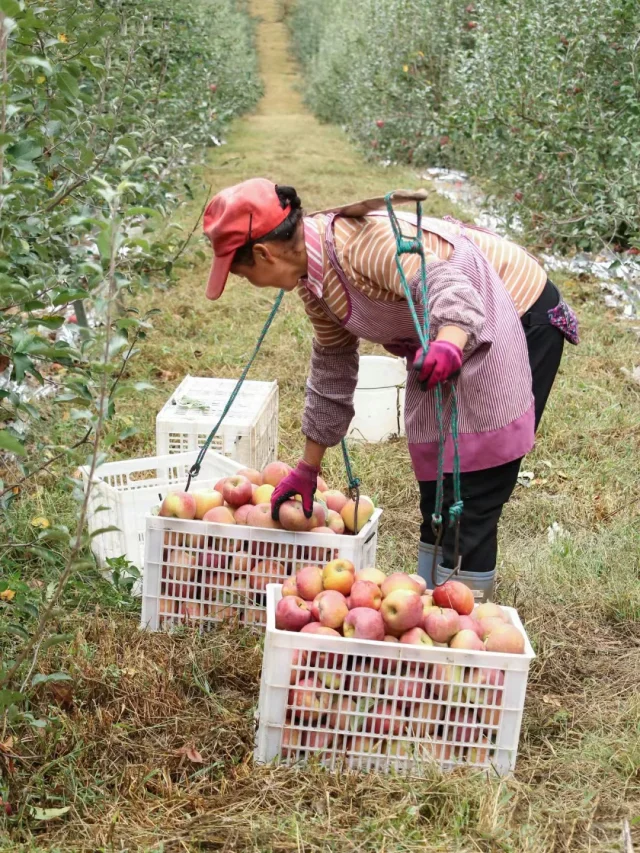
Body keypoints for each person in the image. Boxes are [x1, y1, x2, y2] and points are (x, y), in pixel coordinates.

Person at [202, 178, 578, 601]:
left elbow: (451, 288)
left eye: (242, 274)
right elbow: (332, 368)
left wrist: (449, 344)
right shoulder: (313, 282)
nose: (249, 282)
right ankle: (428, 605)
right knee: (437, 488)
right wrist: (308, 468)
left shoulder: (361, 246)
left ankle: (467, 619)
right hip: (447, 331)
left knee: (472, 490)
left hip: (512, 308)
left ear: (263, 254)